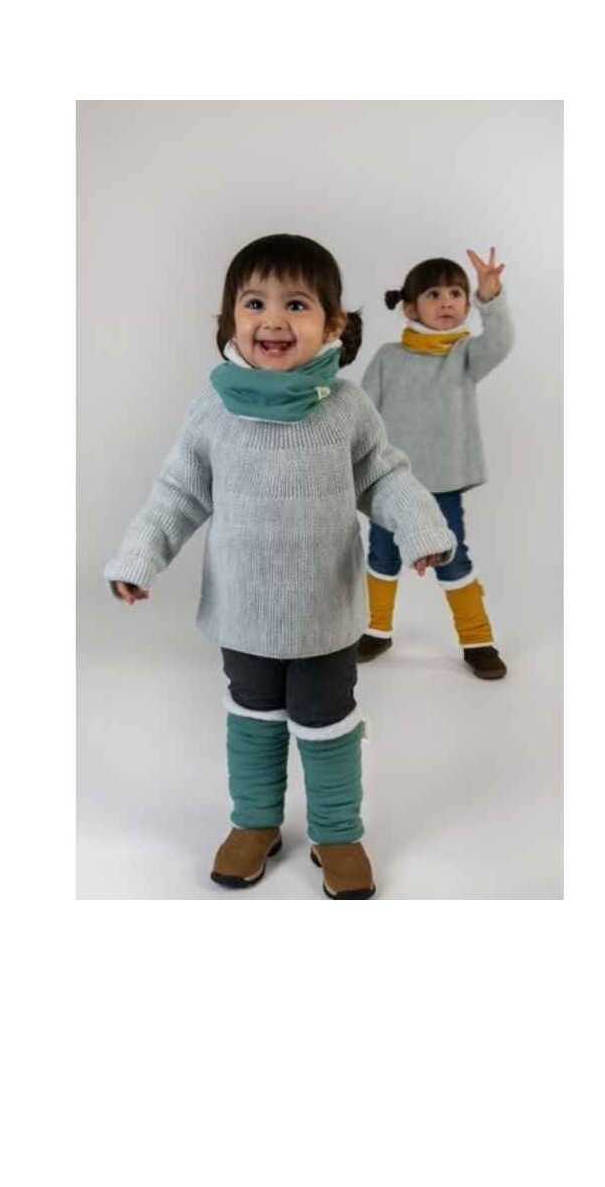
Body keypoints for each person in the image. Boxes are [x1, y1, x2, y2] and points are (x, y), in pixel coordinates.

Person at [105, 234, 455, 899]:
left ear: (334, 323)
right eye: (255, 303)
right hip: (243, 611)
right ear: (228, 320)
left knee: (327, 724)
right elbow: (179, 491)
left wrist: (420, 529)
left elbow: (384, 476)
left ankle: (337, 832)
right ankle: (254, 823)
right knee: (253, 719)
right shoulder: (213, 408)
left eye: (296, 304)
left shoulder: (345, 407)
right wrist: (140, 557)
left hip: (323, 612)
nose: (273, 320)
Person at [358, 248, 515, 679]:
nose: (447, 302)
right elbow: (364, 413)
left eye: (456, 294)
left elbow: (501, 342)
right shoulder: (388, 357)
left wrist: (490, 297)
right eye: (434, 294)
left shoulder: (465, 355)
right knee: (382, 554)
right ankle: (375, 629)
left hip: (443, 484)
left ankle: (477, 640)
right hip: (391, 484)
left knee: (453, 558)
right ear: (410, 308)